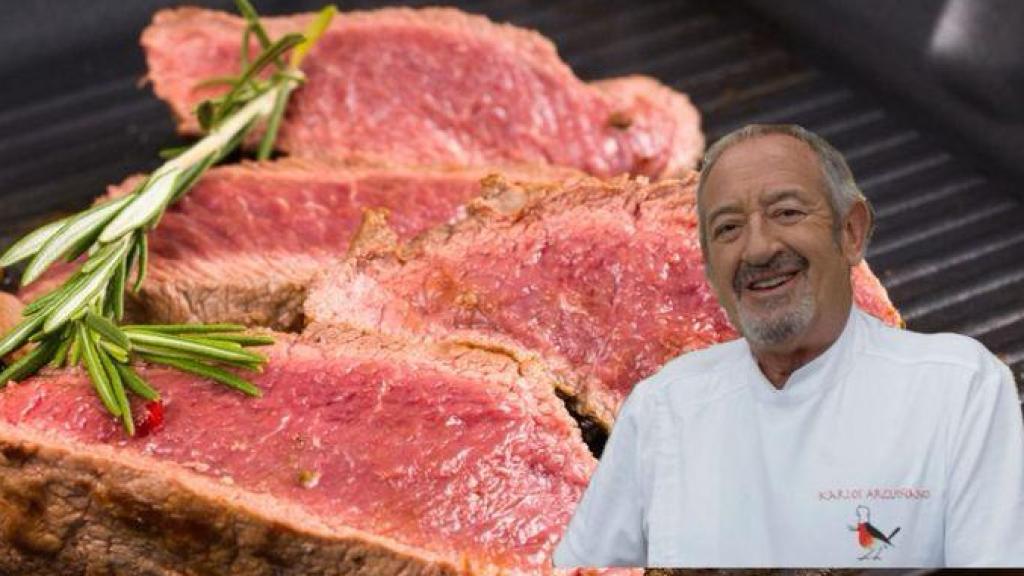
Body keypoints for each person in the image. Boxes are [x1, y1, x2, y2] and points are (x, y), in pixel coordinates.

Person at [552, 124, 1024, 567]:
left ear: (852, 231)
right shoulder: (662, 403)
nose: (758, 249)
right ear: (710, 264)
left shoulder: (961, 386)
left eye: (787, 212)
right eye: (728, 228)